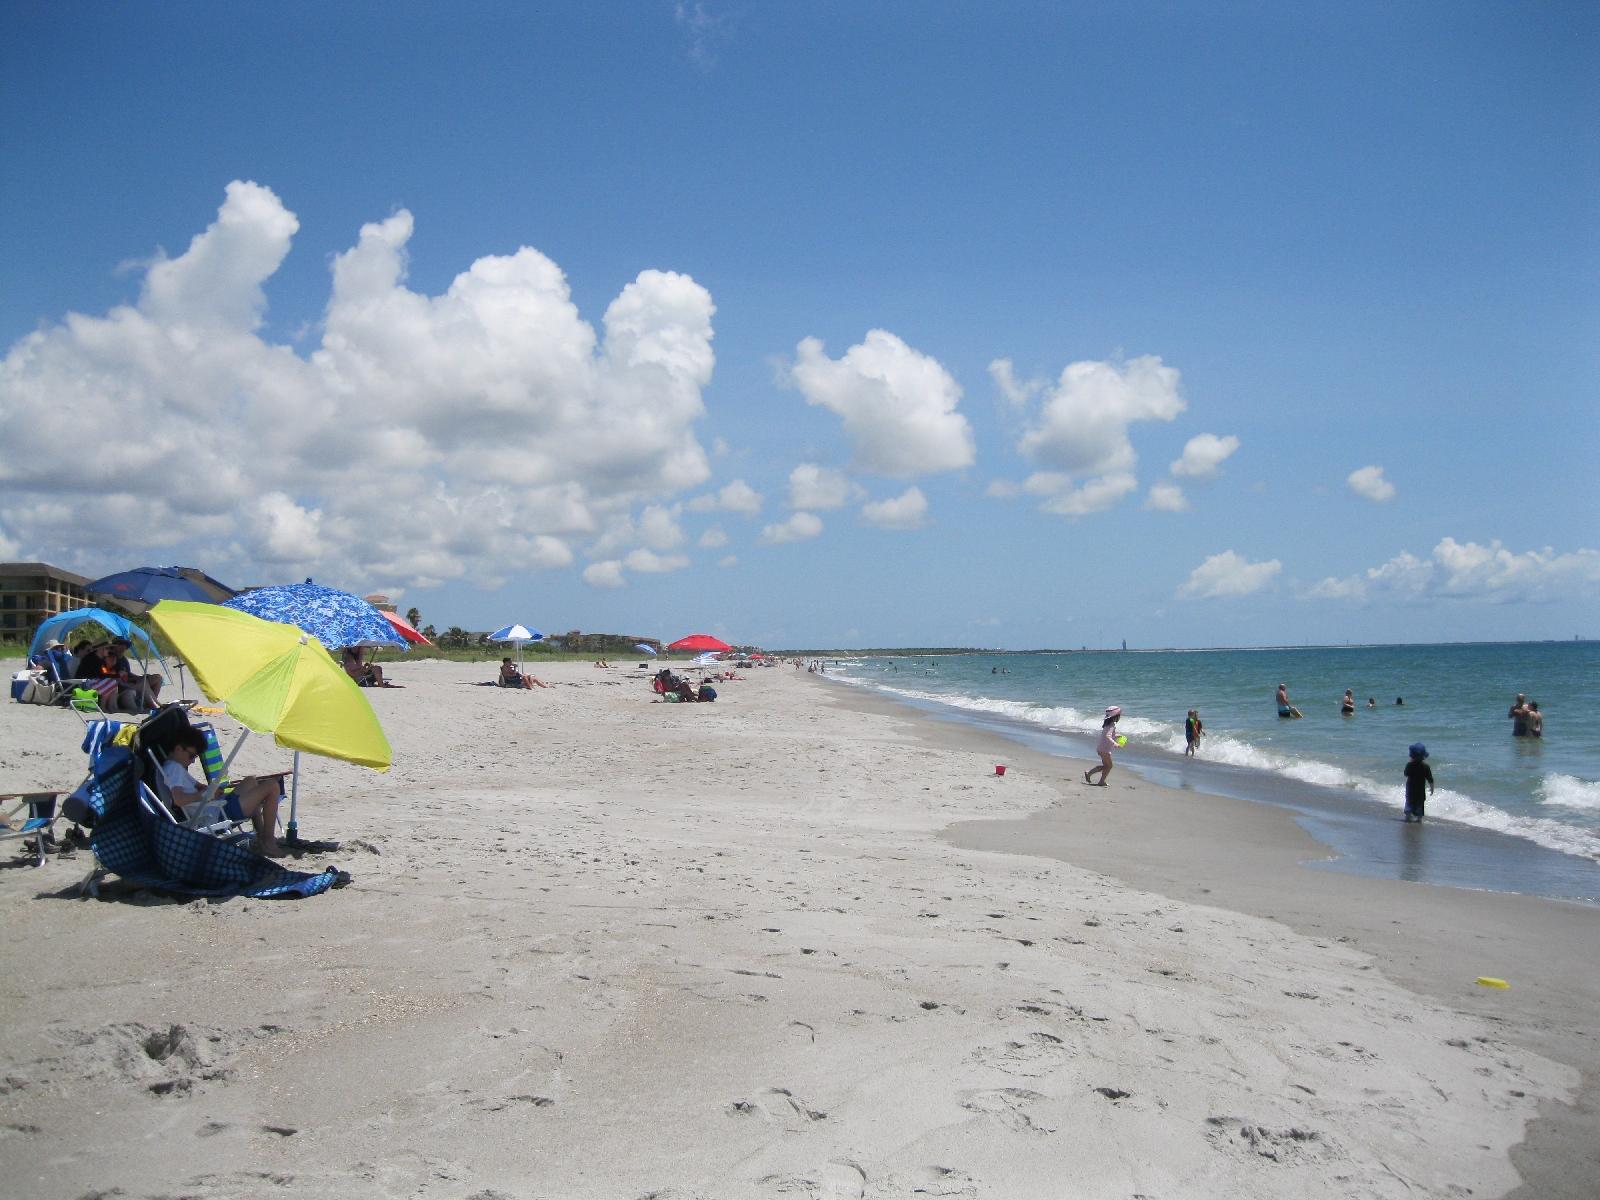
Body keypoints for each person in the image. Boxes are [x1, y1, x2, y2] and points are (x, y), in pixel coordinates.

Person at [161, 727, 286, 857]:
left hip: (215, 807)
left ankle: (262, 838)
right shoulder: (174, 769)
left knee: (250, 781)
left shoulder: (176, 768)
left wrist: (212, 791)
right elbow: (179, 800)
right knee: (272, 786)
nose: (193, 761)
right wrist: (206, 794)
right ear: (178, 749)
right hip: (215, 815)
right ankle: (268, 842)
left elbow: (200, 787)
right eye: (192, 755)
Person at [1085, 706, 1122, 786]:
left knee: (1106, 766)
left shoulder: (1107, 725)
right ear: (1115, 717)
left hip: (1101, 748)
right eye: (1119, 715)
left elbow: (1108, 735)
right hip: (1104, 749)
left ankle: (1091, 774)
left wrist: (1115, 736)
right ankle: (1098, 779)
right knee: (1109, 766)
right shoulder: (1111, 725)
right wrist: (1115, 744)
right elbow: (1107, 736)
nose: (1120, 717)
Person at [1403, 743, 1434, 823]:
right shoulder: (1425, 766)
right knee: (1420, 802)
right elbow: (1430, 778)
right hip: (1420, 788)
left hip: (1410, 787)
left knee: (1409, 800)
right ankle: (1419, 818)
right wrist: (1432, 788)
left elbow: (1406, 774)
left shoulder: (1410, 765)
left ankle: (1408, 816)